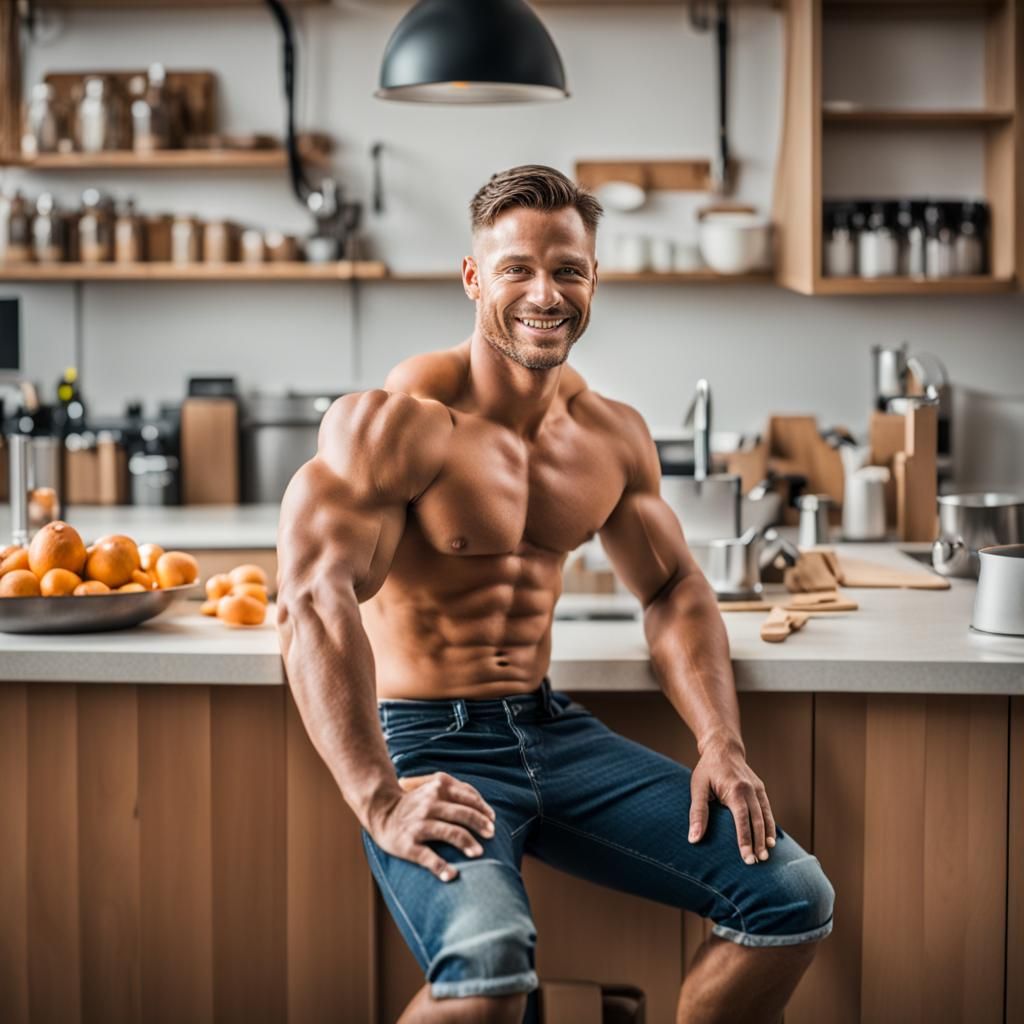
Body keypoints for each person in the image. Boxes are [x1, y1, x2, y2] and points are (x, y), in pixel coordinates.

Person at [277, 164, 834, 1024]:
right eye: (517, 270)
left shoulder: (609, 434)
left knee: (792, 897)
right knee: (490, 975)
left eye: (568, 269)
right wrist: (378, 797)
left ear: (594, 278)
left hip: (552, 730)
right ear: (473, 279)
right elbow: (314, 600)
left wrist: (720, 738)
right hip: (431, 742)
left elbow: (675, 588)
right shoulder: (401, 421)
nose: (546, 293)